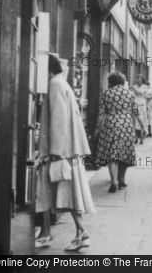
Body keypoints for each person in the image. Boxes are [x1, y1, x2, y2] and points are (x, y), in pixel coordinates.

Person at [35, 54, 95, 251]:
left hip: (62, 151)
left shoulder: (55, 84)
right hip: (69, 149)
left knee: (66, 192)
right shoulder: (63, 83)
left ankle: (81, 232)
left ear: (47, 68)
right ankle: (45, 232)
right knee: (54, 190)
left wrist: (55, 151)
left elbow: (59, 118)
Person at [95, 71, 144, 193]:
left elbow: (101, 114)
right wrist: (143, 127)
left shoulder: (107, 93)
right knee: (125, 153)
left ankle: (114, 182)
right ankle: (122, 179)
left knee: (112, 154)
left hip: (110, 125)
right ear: (122, 81)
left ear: (111, 82)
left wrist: (97, 128)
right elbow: (137, 112)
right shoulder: (129, 94)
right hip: (126, 125)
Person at [131, 74, 151, 145]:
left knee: (142, 121)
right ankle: (136, 138)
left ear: (142, 80)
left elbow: (140, 93)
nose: (137, 80)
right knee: (134, 122)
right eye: (137, 79)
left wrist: (133, 88)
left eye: (139, 79)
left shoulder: (145, 87)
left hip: (142, 105)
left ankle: (142, 138)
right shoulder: (135, 86)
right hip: (135, 105)